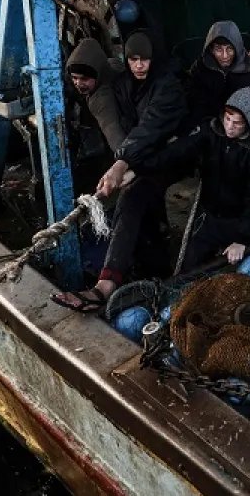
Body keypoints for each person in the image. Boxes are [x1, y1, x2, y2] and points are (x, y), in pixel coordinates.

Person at [52, 30, 187, 312]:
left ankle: (107, 285)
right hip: (145, 156)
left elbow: (145, 128)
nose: (138, 65)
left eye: (144, 59)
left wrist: (123, 163)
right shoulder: (123, 81)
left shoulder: (166, 87)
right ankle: (144, 269)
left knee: (131, 197)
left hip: (175, 153)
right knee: (137, 203)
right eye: (132, 59)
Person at [175, 86, 250, 268]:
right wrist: (135, 166)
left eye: (237, 123)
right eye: (227, 119)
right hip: (210, 218)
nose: (229, 127)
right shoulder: (211, 132)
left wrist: (242, 239)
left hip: (237, 221)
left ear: (249, 124)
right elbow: (180, 149)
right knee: (188, 266)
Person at [65, 38, 128, 186]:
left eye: (85, 79)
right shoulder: (112, 65)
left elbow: (113, 130)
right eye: (74, 78)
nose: (78, 84)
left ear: (97, 74)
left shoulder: (100, 100)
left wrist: (124, 162)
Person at [185, 21, 250, 124]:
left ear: (237, 48)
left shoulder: (248, 67)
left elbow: (248, 106)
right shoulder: (200, 69)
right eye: (219, 49)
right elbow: (195, 103)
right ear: (211, 50)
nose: (225, 56)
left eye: (230, 49)